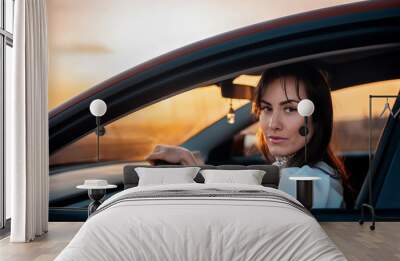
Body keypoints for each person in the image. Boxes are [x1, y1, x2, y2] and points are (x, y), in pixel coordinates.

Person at [145, 63, 355, 209]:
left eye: (290, 109)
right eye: (266, 109)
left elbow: (247, 190)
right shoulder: (289, 169)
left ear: (318, 118)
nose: (273, 124)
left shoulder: (316, 182)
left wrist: (194, 169)